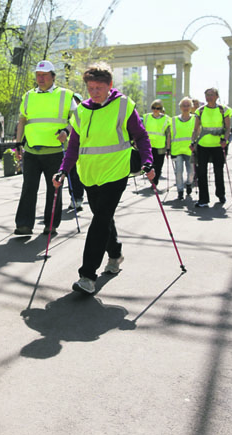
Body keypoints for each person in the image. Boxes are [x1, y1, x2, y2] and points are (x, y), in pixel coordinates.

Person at [53, 62, 154, 295]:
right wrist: (63, 170)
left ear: (109, 85)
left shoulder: (123, 105)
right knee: (103, 218)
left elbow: (140, 135)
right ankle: (116, 254)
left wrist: (148, 161)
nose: (95, 92)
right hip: (90, 175)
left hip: (116, 172)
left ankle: (87, 276)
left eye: (99, 87)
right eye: (91, 88)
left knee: (99, 222)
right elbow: (74, 146)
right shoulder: (81, 111)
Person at [13, 60, 77, 236]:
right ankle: (24, 225)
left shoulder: (65, 95)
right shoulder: (28, 96)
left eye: (44, 75)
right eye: (38, 75)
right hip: (32, 151)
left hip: (55, 151)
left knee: (54, 189)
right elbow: (22, 121)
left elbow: (77, 119)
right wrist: (18, 143)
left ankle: (51, 225)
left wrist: (66, 130)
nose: (40, 78)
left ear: (53, 76)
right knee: (28, 188)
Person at [191, 88, 231, 207]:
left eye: (211, 95)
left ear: (217, 96)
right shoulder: (200, 111)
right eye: (207, 95)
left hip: (218, 145)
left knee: (218, 172)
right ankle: (203, 199)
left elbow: (228, 128)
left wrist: (225, 140)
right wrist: (193, 142)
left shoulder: (223, 110)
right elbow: (196, 129)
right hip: (203, 145)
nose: (209, 97)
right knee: (201, 172)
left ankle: (221, 194)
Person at [170, 97, 196, 200]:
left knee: (191, 172)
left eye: (188, 105)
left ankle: (189, 183)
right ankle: (180, 190)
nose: (186, 107)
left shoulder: (195, 119)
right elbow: (170, 135)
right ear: (180, 107)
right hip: (177, 150)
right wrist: (168, 149)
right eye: (184, 105)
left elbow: (198, 132)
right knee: (178, 172)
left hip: (190, 150)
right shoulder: (174, 120)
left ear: (191, 107)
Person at [143, 99, 171, 187]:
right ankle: (152, 180)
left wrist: (168, 148)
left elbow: (168, 134)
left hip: (160, 147)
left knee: (158, 166)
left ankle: (155, 180)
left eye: (158, 108)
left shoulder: (166, 119)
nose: (156, 110)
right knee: (149, 165)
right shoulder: (146, 117)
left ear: (161, 109)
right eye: (154, 108)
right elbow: (142, 131)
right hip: (149, 146)